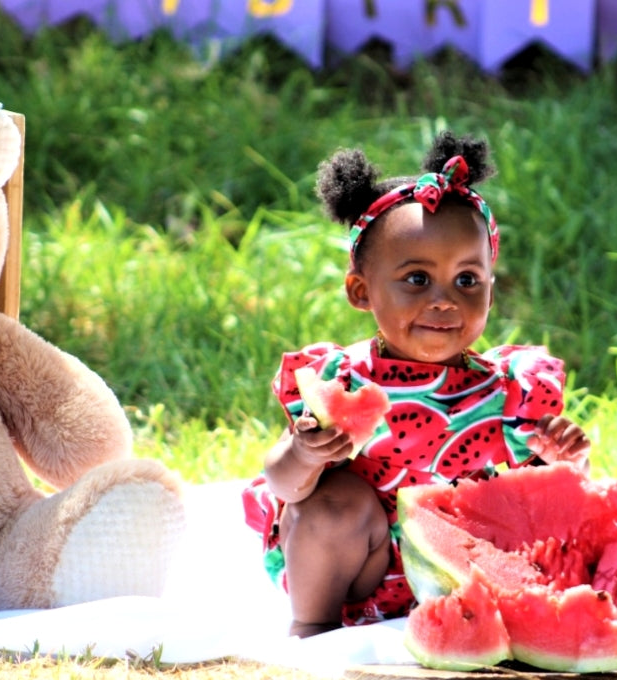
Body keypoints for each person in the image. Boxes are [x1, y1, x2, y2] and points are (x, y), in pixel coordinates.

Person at [242, 131, 592, 638]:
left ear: (492, 292)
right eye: (417, 279)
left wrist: (568, 458)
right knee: (331, 502)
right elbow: (282, 484)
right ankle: (312, 630)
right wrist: (306, 453)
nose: (445, 300)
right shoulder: (339, 380)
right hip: (361, 574)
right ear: (361, 291)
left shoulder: (511, 391)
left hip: (469, 579)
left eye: (467, 280)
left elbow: (555, 496)